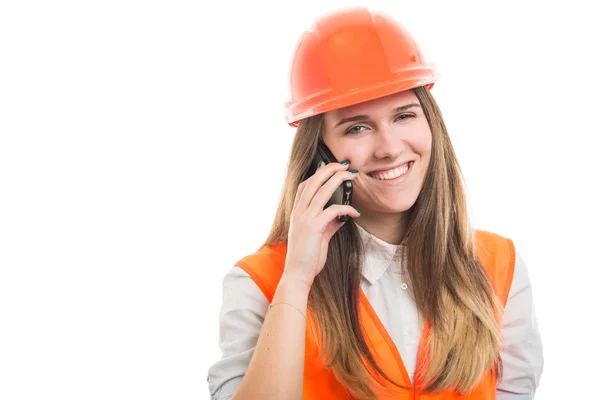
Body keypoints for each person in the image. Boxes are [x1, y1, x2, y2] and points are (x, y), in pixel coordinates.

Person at [207, 6, 543, 400]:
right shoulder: (262, 283)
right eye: (357, 127)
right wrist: (297, 279)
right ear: (319, 154)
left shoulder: (498, 265)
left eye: (404, 116)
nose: (390, 148)